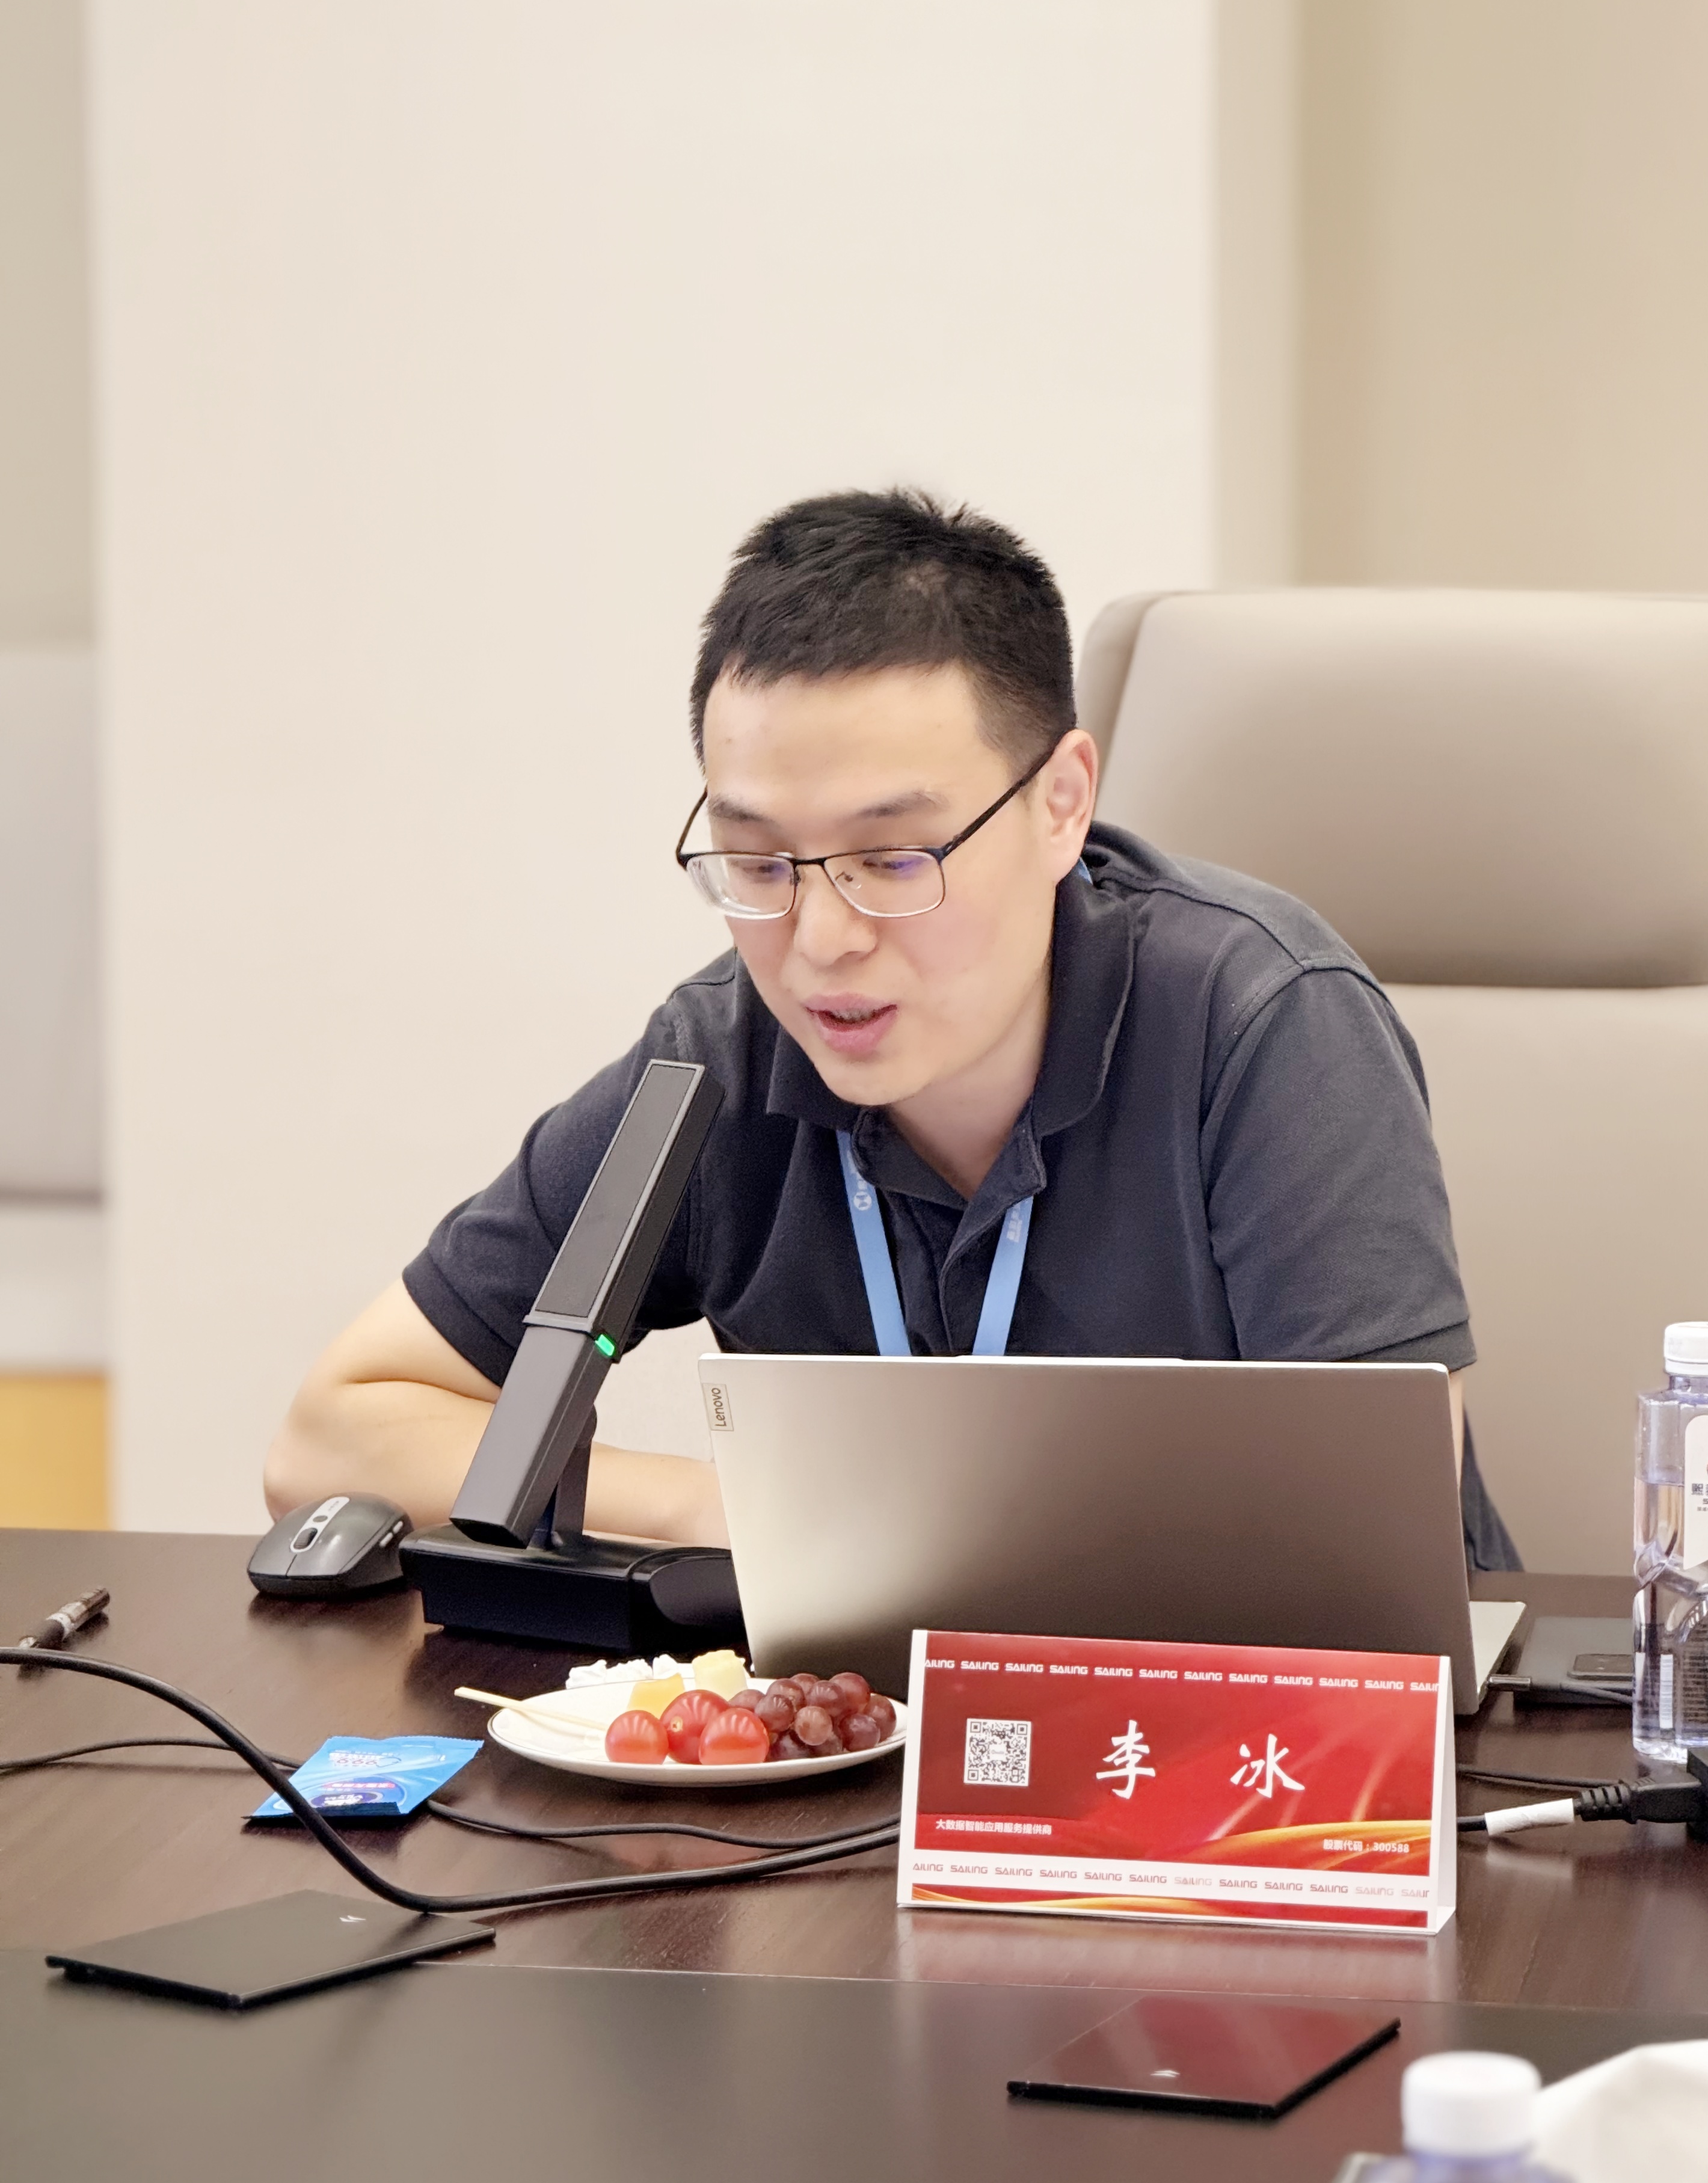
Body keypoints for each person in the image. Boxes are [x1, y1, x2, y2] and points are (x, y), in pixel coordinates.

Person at [266, 488, 1516, 1569]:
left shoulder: (1264, 1025)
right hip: (886, 1737)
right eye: (759, 862)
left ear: (1061, 804)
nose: (820, 941)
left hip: (1293, 1728)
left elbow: (1373, 1533)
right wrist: (722, 1510)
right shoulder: (723, 1057)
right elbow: (332, 1437)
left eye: (894, 857)